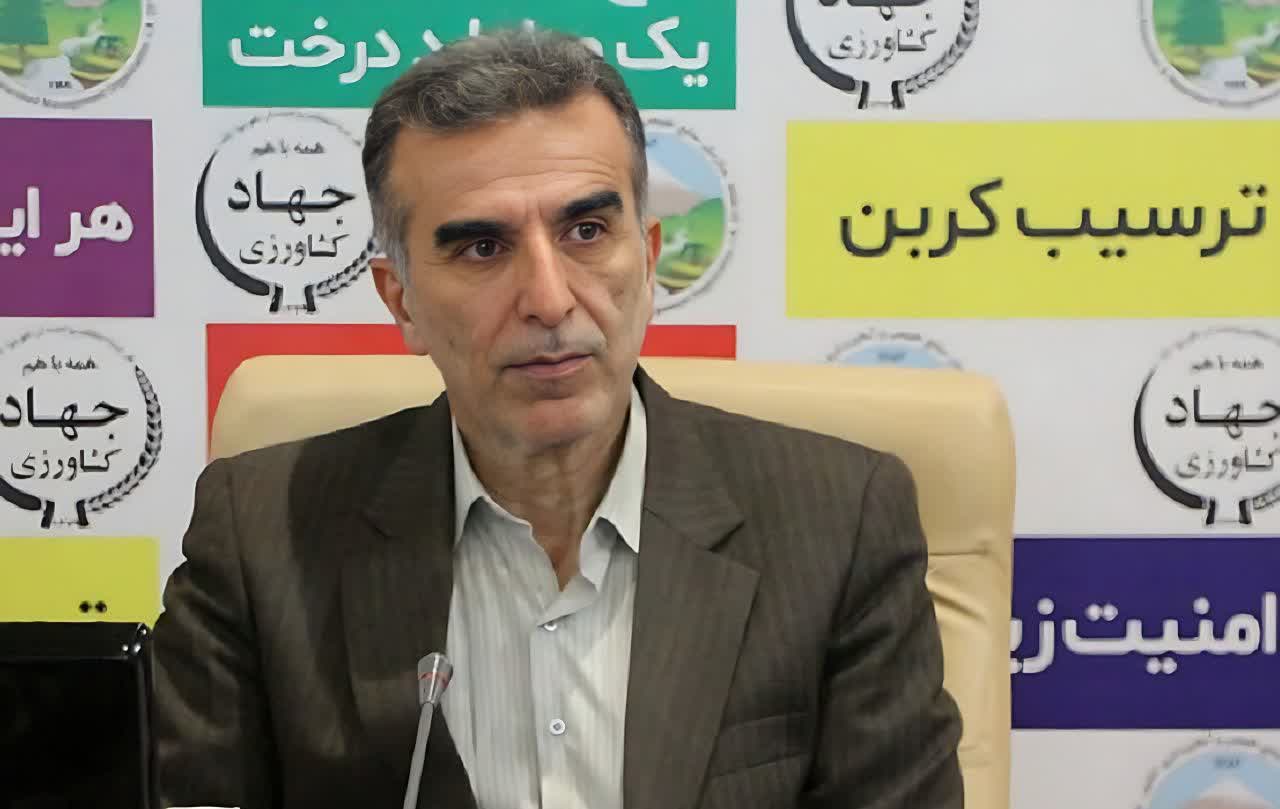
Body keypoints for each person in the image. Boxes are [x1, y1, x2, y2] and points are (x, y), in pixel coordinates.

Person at [152, 28, 963, 809]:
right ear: (401, 301)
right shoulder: (263, 536)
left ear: (648, 259)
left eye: (586, 231)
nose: (548, 299)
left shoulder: (838, 525)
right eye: (482, 248)